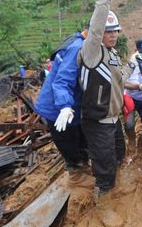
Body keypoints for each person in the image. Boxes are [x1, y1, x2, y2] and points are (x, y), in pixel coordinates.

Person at [77, 0, 134, 225]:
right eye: (108, 32)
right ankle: (103, 203)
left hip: (113, 120)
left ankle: (112, 187)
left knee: (118, 154)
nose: (111, 35)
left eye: (115, 31)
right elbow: (96, 27)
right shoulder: (92, 52)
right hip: (98, 121)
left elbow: (118, 78)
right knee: (104, 164)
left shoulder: (112, 54)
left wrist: (134, 66)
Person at [34, 29, 89, 177]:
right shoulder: (77, 48)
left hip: (72, 104)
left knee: (82, 142)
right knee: (71, 147)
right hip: (59, 107)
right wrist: (64, 106)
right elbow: (62, 82)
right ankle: (77, 178)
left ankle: (83, 169)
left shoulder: (78, 41)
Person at [124, 38, 142, 154]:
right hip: (131, 97)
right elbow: (125, 83)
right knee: (129, 124)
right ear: (136, 50)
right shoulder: (133, 63)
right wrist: (140, 86)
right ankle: (131, 139)